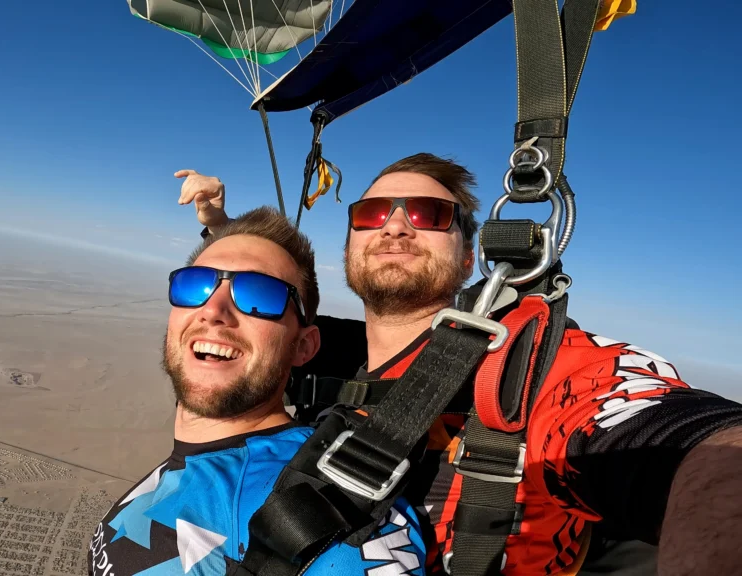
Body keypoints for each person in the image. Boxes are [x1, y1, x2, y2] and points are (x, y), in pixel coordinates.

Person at [176, 156, 742, 575]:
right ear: (348, 243)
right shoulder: (322, 352)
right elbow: (245, 314)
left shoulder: (531, 369)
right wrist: (221, 228)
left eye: (427, 214)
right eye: (372, 214)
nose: (395, 227)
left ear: (469, 255)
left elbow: (688, 439)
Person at [91, 207, 428, 576]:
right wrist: (217, 223)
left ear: (304, 346)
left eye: (259, 295)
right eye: (195, 284)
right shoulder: (204, 450)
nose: (213, 310)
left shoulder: (320, 505)